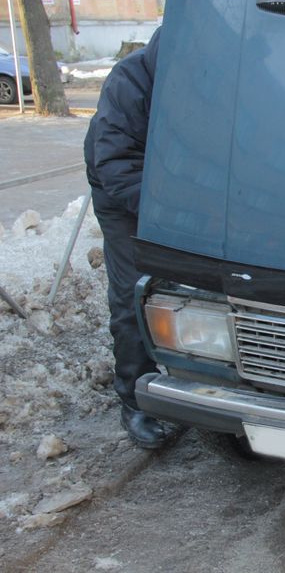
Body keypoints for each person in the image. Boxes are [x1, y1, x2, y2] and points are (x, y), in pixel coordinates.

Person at [84, 28, 175, 449]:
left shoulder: (209, 79)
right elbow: (115, 165)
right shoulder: (130, 83)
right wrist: (170, 215)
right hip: (122, 193)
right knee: (133, 290)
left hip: (173, 191)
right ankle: (135, 398)